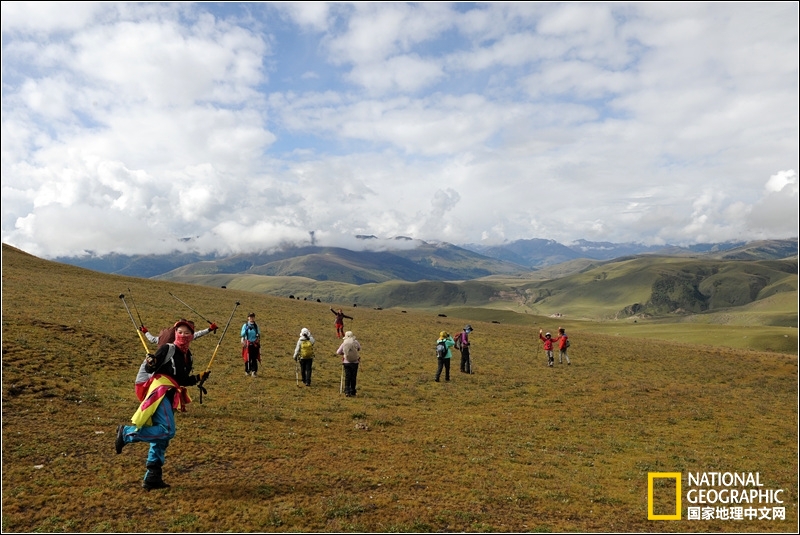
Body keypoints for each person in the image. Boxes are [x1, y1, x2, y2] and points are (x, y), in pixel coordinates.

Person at [115, 319, 210, 491]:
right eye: (180, 332)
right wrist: (151, 362)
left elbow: (181, 380)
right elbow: (151, 368)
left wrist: (198, 377)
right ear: (175, 333)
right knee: (167, 430)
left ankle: (153, 477)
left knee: (161, 439)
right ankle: (127, 433)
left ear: (191, 336)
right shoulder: (168, 349)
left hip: (172, 394)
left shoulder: (188, 356)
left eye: (187, 333)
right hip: (161, 391)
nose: (183, 335)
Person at [139, 320, 217, 346]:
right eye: (180, 332)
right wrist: (209, 329)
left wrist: (145, 332)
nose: (183, 335)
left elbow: (152, 339)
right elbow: (196, 335)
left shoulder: (165, 333)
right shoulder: (184, 338)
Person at [336, 331, 362, 397]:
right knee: (353, 377)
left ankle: (347, 391)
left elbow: (338, 352)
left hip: (346, 362)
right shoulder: (355, 342)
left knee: (348, 377)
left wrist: (344, 353)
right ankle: (353, 391)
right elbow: (359, 348)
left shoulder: (344, 343)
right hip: (355, 362)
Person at [240, 312, 261, 377]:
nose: (251, 318)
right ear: (248, 318)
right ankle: (247, 370)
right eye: (250, 317)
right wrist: (246, 330)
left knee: (254, 358)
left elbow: (258, 333)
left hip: (254, 343)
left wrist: (257, 337)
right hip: (247, 343)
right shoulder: (245, 325)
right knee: (247, 357)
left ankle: (254, 371)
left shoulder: (256, 326)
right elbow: (242, 334)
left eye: (253, 317)